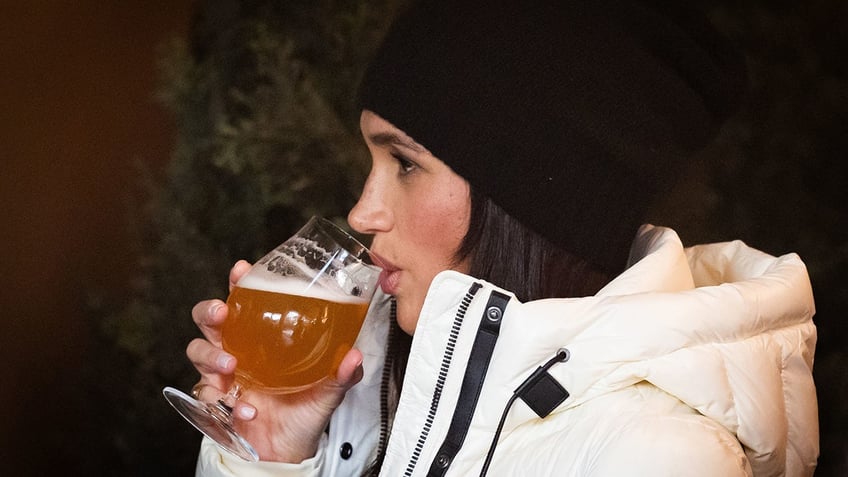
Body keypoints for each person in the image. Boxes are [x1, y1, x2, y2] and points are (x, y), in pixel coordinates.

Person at [185, 1, 819, 475]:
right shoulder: (375, 381)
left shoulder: (656, 456)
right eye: (370, 162)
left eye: (405, 163)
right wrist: (271, 455)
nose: (361, 212)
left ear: (527, 206)